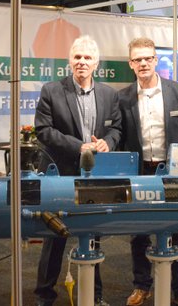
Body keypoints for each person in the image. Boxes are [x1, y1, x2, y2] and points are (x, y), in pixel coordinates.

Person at [34, 36, 122, 306]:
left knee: (92, 233)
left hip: (94, 176)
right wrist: (78, 146)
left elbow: (116, 129)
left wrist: (108, 142)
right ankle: (45, 296)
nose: (82, 62)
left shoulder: (109, 94)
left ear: (96, 63)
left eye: (87, 57)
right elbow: (43, 130)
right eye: (77, 57)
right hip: (59, 174)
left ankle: (94, 295)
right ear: (69, 61)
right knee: (54, 236)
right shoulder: (51, 90)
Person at [119, 37, 178, 306]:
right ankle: (142, 286)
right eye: (137, 59)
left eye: (148, 58)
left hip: (172, 170)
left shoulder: (177, 91)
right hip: (139, 171)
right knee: (138, 232)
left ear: (155, 60)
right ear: (131, 64)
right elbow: (119, 135)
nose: (143, 63)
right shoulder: (123, 97)